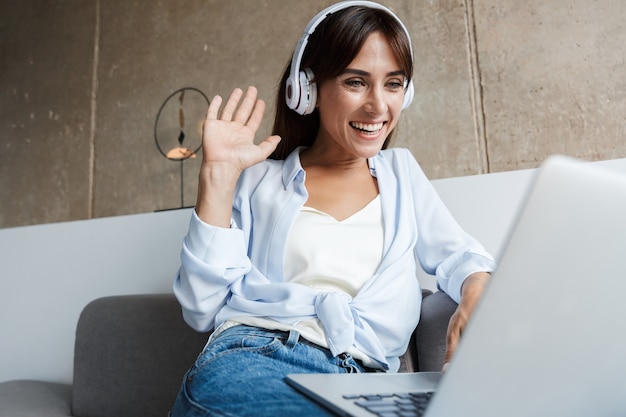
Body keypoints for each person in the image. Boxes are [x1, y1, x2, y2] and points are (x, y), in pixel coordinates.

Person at [170, 2, 495, 416]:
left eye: (393, 84)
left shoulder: (401, 174)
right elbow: (201, 308)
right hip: (259, 355)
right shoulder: (256, 180)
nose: (378, 107)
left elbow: (462, 257)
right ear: (307, 90)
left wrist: (477, 290)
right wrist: (217, 176)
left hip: (366, 380)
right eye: (356, 82)